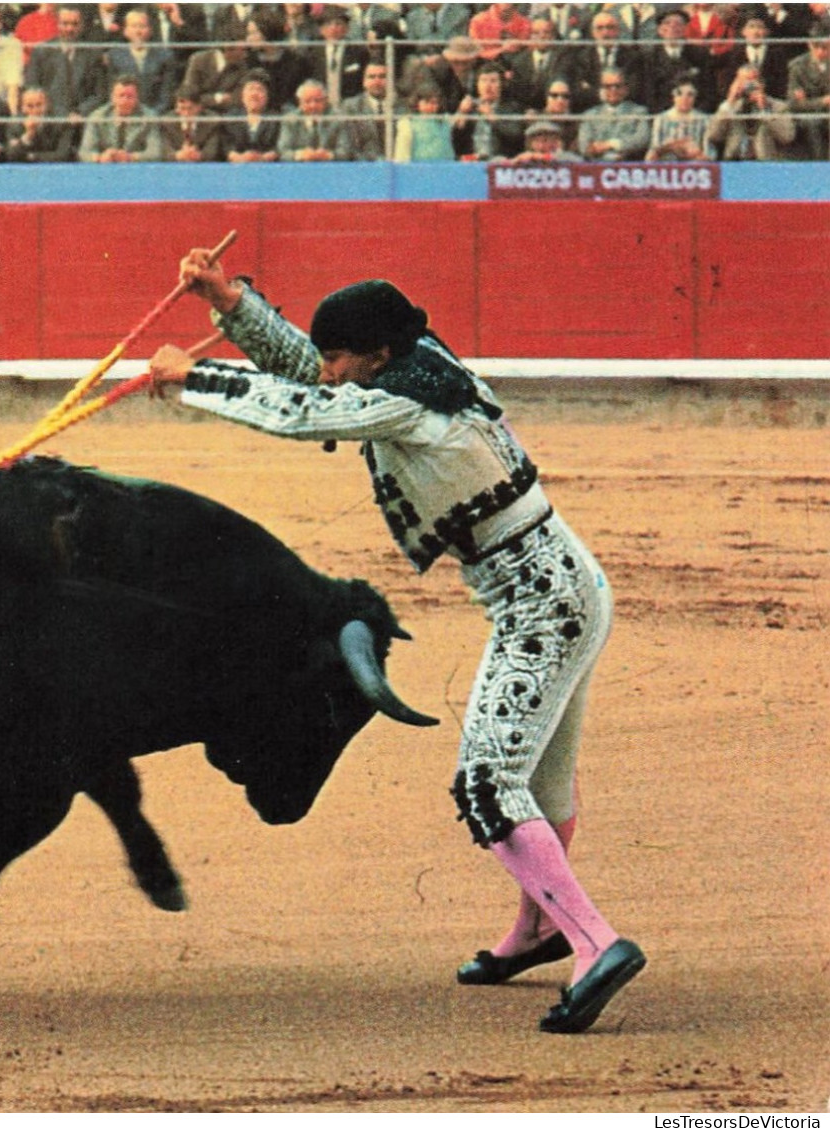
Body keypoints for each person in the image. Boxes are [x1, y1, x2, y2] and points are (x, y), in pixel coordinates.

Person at [147, 257, 646, 1036]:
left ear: (375, 357)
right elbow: (315, 375)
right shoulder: (420, 361)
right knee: (537, 785)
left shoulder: (404, 406)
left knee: (487, 784)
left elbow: (303, 408)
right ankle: (539, 929)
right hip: (572, 588)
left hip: (539, 609)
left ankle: (593, 944)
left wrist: (192, 380)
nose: (329, 366)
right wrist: (231, 302)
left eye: (341, 355)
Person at [23, 5, 106, 123]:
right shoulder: (41, 51)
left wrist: (80, 112)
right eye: (65, 23)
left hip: (82, 123)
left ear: (82, 25)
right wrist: (59, 115)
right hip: (48, 122)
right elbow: (33, 87)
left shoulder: (92, 54)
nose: (69, 29)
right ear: (57, 24)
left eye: (74, 24)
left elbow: (100, 94)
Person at [707, 64, 797, 162]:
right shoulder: (730, 107)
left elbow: (787, 137)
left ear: (761, 84)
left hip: (765, 163)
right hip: (734, 161)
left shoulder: (778, 107)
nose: (747, 86)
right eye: (742, 81)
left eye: (751, 81)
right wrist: (729, 102)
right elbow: (713, 136)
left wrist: (764, 110)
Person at [104, 7, 177, 114]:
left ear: (150, 30)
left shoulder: (165, 57)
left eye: (142, 26)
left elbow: (166, 94)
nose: (138, 31)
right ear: (125, 31)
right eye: (133, 26)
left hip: (156, 115)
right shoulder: (114, 56)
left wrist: (152, 115)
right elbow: (110, 91)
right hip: (123, 114)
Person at [78, 75, 163, 163]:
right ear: (112, 97)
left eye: (130, 96)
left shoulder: (149, 117)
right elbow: (84, 152)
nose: (125, 101)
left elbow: (156, 153)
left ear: (137, 98)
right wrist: (100, 157)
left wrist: (130, 157)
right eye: (121, 95)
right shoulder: (97, 117)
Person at [452, 63, 525, 161]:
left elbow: (516, 135)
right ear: (477, 84)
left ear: (502, 84)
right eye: (483, 80)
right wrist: (461, 112)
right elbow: (453, 138)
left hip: (500, 161)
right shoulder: (469, 107)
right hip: (471, 161)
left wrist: (492, 117)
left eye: (493, 81)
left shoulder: (512, 107)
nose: (488, 86)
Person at [576, 68, 650, 161]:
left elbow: (642, 139)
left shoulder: (639, 112)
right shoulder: (590, 115)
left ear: (626, 89)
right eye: (608, 86)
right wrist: (594, 149)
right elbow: (584, 146)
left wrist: (612, 144)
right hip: (597, 166)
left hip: (629, 166)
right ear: (601, 89)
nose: (613, 90)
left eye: (617, 86)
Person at [281, 78, 355, 162]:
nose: (313, 105)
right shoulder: (290, 119)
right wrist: (300, 154)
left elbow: (346, 151)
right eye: (307, 101)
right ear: (299, 102)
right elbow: (283, 152)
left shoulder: (339, 118)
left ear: (326, 100)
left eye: (317, 100)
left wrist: (328, 155)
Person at [786, 20, 830, 161]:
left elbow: (804, 101)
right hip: (809, 115)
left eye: (825, 47)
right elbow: (795, 104)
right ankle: (818, 166)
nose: (820, 52)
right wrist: (823, 101)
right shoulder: (798, 67)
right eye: (816, 47)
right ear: (809, 45)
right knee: (812, 123)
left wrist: (808, 100)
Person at [5, 83, 76, 163]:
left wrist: (32, 157)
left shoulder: (61, 121)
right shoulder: (15, 124)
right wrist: (28, 135)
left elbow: (63, 155)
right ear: (22, 108)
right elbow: (11, 155)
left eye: (39, 105)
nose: (35, 111)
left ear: (47, 105)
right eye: (30, 106)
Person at [221, 71, 282, 163]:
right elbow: (226, 145)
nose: (254, 94)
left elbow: (279, 147)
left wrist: (263, 157)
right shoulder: (231, 118)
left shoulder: (276, 118)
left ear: (267, 96)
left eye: (260, 89)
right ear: (242, 95)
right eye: (250, 89)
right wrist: (239, 157)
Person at [647, 82, 712, 162]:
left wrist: (697, 153)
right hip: (667, 164)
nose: (684, 98)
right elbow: (653, 152)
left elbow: (709, 152)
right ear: (673, 96)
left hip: (695, 165)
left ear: (695, 97)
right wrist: (671, 146)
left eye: (690, 94)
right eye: (679, 93)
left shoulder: (703, 119)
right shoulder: (661, 119)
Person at [393, 84, 457, 162]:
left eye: (435, 103)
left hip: (445, 168)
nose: (431, 106)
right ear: (417, 103)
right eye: (427, 102)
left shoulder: (445, 121)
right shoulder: (407, 123)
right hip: (418, 170)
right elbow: (401, 155)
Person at [159, 88, 223, 163]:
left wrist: (198, 155)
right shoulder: (167, 122)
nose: (186, 113)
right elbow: (164, 151)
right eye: (182, 108)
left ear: (199, 107)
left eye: (190, 108)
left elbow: (212, 151)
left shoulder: (212, 121)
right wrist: (178, 155)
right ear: (176, 108)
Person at [504, 116, 582, 162]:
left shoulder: (566, 157)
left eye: (545, 140)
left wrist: (540, 157)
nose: (541, 145)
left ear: (555, 142)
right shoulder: (526, 159)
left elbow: (577, 161)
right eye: (536, 141)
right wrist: (516, 160)